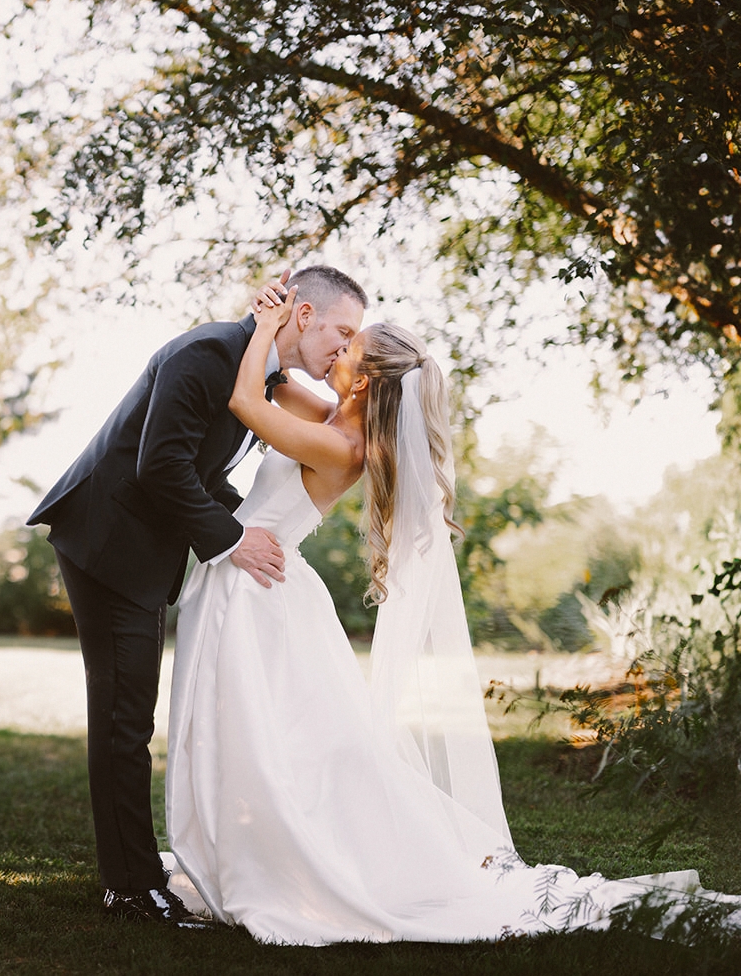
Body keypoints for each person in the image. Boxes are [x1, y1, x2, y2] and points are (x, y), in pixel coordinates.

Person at [164, 275, 740, 944]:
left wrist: (263, 321)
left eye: (353, 343)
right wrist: (268, 335)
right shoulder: (327, 418)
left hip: (258, 590)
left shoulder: (343, 448)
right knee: (261, 733)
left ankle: (284, 859)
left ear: (362, 380)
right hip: (252, 581)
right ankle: (248, 846)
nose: (341, 345)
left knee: (267, 734)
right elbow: (266, 387)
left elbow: (241, 397)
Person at [27, 267, 368, 925]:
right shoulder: (207, 353)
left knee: (130, 718)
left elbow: (202, 472)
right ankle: (130, 886)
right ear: (302, 314)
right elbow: (161, 463)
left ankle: (135, 874)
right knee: (126, 721)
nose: (344, 347)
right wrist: (233, 538)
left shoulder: (259, 376)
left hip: (143, 550)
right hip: (107, 543)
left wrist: (252, 525)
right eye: (342, 330)